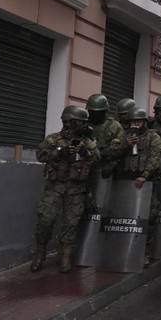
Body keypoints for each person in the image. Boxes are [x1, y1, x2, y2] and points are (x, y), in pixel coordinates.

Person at [30, 106, 100, 273]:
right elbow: (40, 154)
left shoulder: (88, 142)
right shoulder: (54, 139)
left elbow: (97, 158)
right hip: (55, 188)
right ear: (68, 123)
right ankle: (40, 254)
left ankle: (66, 257)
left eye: (84, 123)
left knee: (71, 224)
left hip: (76, 190)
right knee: (45, 220)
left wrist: (85, 152)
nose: (83, 126)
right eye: (80, 122)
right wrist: (60, 153)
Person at [112, 107, 161, 266]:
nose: (136, 124)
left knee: (148, 218)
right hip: (125, 183)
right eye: (133, 122)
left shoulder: (152, 137)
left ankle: (144, 253)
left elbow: (156, 158)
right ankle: (121, 251)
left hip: (145, 183)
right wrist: (124, 145)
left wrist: (145, 175)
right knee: (123, 219)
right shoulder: (123, 137)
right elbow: (111, 155)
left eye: (139, 121)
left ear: (144, 122)